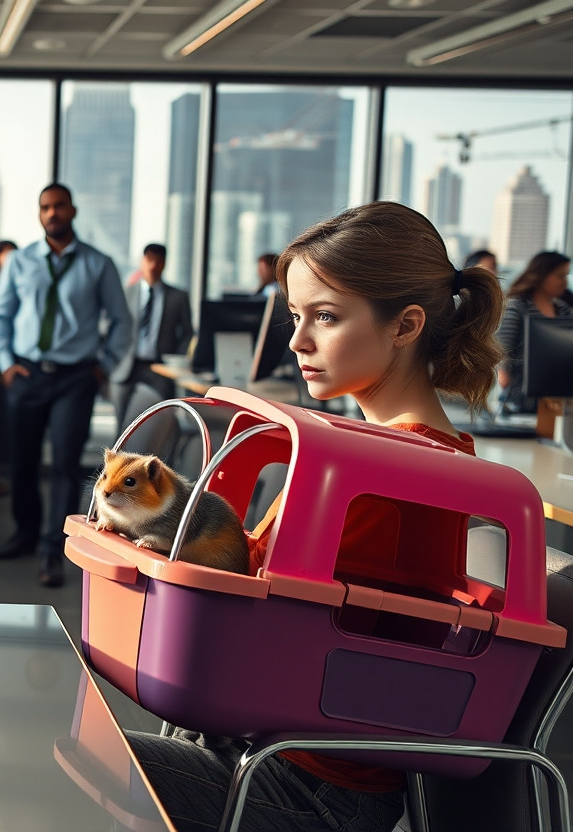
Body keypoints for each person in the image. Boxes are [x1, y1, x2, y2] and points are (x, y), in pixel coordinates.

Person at [128, 200, 504, 832]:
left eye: (325, 318)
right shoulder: (401, 454)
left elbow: (252, 599)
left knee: (66, 744)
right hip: (280, 754)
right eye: (298, 316)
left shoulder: (390, 470)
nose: (298, 340)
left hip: (308, 788)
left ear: (405, 325)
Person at [0, 183, 132, 588]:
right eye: (45, 208)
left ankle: (52, 547)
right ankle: (25, 532)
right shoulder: (20, 261)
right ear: (40, 215)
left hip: (75, 378)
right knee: (22, 461)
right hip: (27, 373)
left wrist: (103, 366)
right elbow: (2, 316)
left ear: (73, 210)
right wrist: (5, 364)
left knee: (66, 464)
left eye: (59, 206)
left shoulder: (98, 264)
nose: (52, 213)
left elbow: (121, 320)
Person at [110, 243, 194, 434]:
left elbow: (187, 332)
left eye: (158, 261)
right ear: (142, 261)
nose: (153, 266)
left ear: (164, 264)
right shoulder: (125, 293)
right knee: (122, 427)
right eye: (149, 260)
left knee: (160, 422)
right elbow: (110, 327)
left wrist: (176, 358)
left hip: (160, 368)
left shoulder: (178, 297)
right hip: (126, 367)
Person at [495, 251, 572, 414]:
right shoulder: (517, 306)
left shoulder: (564, 310)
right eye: (560, 276)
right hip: (519, 397)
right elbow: (503, 348)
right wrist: (504, 375)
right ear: (542, 275)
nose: (564, 282)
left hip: (556, 397)